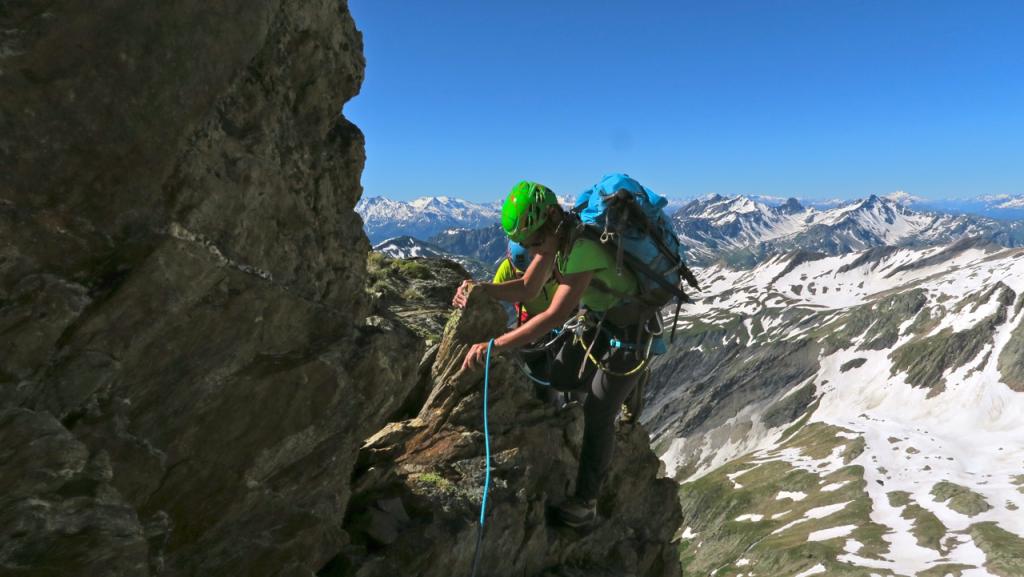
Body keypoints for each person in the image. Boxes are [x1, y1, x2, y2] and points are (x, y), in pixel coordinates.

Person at [452, 180, 658, 528]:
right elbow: (527, 288)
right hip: (602, 321)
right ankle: (620, 385)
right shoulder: (554, 239)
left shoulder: (582, 249)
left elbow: (553, 316)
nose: (532, 250)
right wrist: (480, 289)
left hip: (631, 334)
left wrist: (495, 346)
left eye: (533, 242)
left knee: (598, 412)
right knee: (560, 376)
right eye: (526, 244)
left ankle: (586, 503)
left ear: (550, 218)